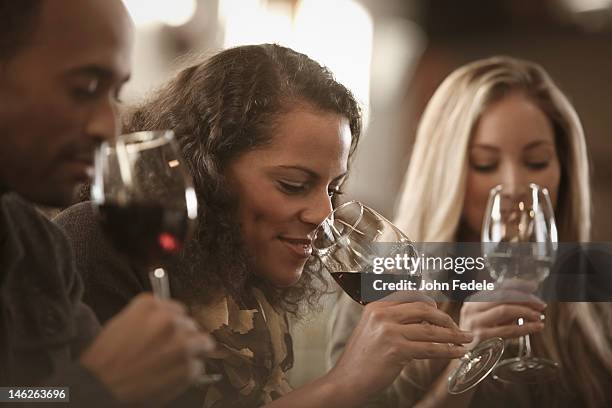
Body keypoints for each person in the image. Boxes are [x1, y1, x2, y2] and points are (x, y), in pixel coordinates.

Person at [55, 43, 474, 407]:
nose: (325, 215)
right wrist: (344, 384)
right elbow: (26, 395)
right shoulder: (96, 242)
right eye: (293, 185)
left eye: (334, 187)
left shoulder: (242, 270)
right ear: (207, 169)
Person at [329, 56, 612, 407]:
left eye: (536, 161)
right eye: (485, 164)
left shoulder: (595, 288)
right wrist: (466, 358)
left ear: (565, 169)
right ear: (443, 173)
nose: (513, 186)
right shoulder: (381, 285)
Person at [0, 1, 215, 406]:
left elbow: (25, 394)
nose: (108, 128)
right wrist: (96, 385)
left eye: (115, 94)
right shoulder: (78, 238)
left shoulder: (38, 246)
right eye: (84, 89)